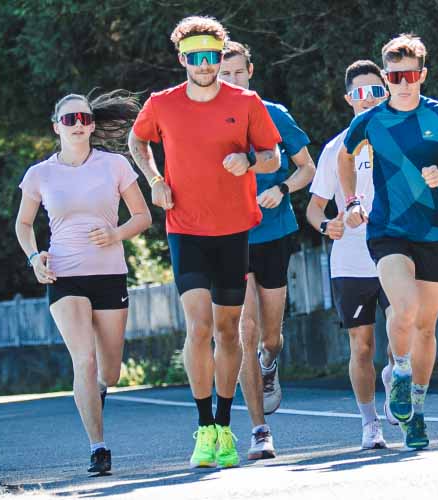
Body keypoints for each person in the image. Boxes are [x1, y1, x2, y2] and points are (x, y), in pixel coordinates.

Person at [127, 16, 281, 469]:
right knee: (197, 327)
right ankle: (204, 428)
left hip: (233, 229)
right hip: (185, 228)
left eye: (212, 56)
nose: (205, 65)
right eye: (195, 57)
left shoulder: (247, 102)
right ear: (182, 59)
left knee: (228, 331)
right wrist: (155, 180)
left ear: (220, 56)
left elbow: (272, 155)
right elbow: (138, 143)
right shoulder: (162, 104)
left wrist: (249, 161)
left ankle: (226, 423)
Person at [338, 34, 438, 450]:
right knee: (405, 308)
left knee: (427, 329)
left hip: (430, 231)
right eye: (395, 76)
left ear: (422, 74)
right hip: (388, 230)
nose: (404, 83)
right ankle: (398, 370)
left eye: (411, 74)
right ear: (387, 77)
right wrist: (354, 200)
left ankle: (417, 411)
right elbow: (345, 157)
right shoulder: (371, 120)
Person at [15, 90, 151, 474]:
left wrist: (116, 234)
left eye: (85, 119)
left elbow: (142, 216)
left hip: (109, 274)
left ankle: (102, 390)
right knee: (84, 359)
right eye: (70, 119)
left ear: (92, 125)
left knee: (109, 370)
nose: (79, 125)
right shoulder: (40, 174)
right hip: (64, 274)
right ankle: (98, 447)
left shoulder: (114, 166)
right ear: (56, 126)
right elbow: (23, 224)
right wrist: (33, 257)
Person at [219, 41, 316, 460]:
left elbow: (306, 169)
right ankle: (259, 429)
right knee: (246, 329)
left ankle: (270, 363)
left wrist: (281, 188)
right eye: (225, 75)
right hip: (228, 235)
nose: (232, 81)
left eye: (239, 73)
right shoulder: (206, 122)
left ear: (251, 71)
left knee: (270, 336)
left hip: (273, 233)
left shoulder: (273, 114)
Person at [307, 60, 398, 450]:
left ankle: (396, 377)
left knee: (402, 333)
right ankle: (369, 422)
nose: (369, 99)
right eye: (360, 93)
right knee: (362, 346)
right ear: (349, 99)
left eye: (376, 91)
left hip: (396, 250)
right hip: (351, 260)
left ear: (387, 91)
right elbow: (314, 208)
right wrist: (328, 225)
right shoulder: (335, 148)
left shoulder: (401, 136)